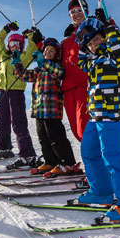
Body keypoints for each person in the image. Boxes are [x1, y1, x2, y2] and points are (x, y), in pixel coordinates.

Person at [71, 12, 120, 223]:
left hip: (112, 112)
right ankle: (102, 191)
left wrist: (109, 28)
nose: (94, 45)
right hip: (95, 114)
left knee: (113, 157)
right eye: (90, 43)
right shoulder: (91, 61)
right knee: (89, 151)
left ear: (104, 36)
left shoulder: (115, 56)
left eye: (97, 39)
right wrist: (84, 41)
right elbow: (81, 59)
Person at [22, 35, 81, 177]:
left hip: (52, 110)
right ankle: (51, 161)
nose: (47, 53)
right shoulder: (38, 70)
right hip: (39, 110)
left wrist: (43, 63)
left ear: (56, 55)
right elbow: (24, 76)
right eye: (46, 50)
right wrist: (17, 62)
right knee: (43, 138)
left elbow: (58, 73)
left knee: (56, 137)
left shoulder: (56, 66)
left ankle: (68, 163)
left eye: (51, 51)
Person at [0, 22, 39, 169]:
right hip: (3, 92)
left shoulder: (24, 57)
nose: (14, 46)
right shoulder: (3, 56)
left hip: (16, 92)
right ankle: (4, 147)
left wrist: (30, 35)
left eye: (17, 44)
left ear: (21, 46)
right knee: (3, 120)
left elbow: (33, 46)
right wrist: (6, 28)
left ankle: (27, 154)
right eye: (11, 43)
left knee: (18, 123)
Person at [60, 0, 90, 142]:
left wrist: (106, 23)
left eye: (80, 10)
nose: (76, 14)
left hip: (83, 84)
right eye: (73, 11)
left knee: (83, 126)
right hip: (67, 87)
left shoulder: (92, 29)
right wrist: (40, 44)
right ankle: (93, 158)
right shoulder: (66, 40)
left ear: (86, 11)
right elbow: (54, 58)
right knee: (75, 130)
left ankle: (100, 158)